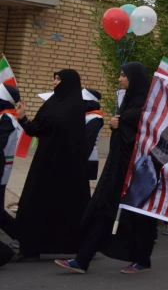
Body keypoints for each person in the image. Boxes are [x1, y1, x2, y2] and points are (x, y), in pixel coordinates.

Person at [56, 63, 153, 274]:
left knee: (138, 216)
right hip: (117, 169)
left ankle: (142, 259)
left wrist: (122, 122)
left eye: (123, 75)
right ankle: (83, 260)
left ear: (134, 79)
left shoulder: (147, 106)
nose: (120, 79)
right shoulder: (130, 102)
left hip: (136, 172)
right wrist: (115, 125)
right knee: (104, 210)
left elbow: (146, 138)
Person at [13, 69, 90, 260]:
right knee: (36, 203)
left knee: (66, 207)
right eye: (54, 79)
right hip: (45, 166)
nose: (55, 82)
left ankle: (74, 247)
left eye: (58, 79)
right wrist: (23, 118)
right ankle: (30, 248)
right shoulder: (50, 105)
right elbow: (35, 130)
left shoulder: (78, 107)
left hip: (69, 169)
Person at [0, 84, 22, 265]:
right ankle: (24, 237)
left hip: (1, 170)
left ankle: (24, 237)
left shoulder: (7, 118)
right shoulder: (5, 116)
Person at [81, 88, 104, 182]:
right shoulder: (86, 115)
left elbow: (88, 141)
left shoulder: (95, 118)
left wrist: (79, 160)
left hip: (87, 158)